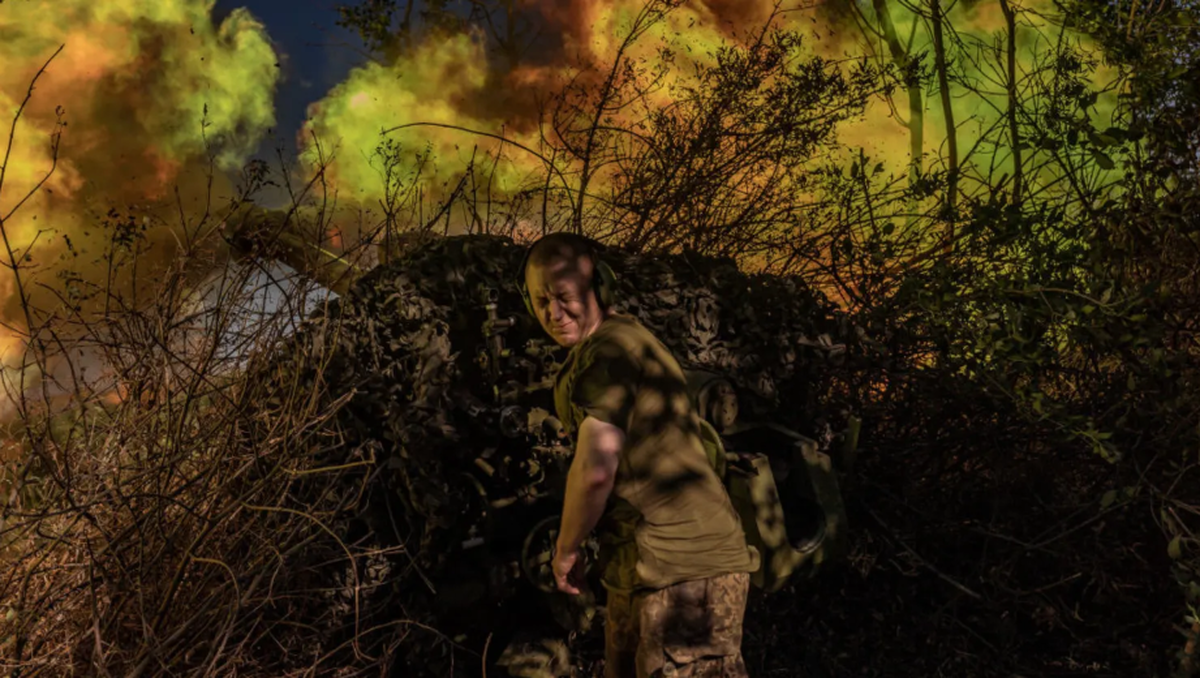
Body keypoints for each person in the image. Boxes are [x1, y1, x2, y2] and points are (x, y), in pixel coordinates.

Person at [518, 232, 758, 678]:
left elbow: (596, 469)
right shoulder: (599, 350)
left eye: (564, 297)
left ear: (599, 288)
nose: (554, 313)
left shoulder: (613, 350)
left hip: (688, 571)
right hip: (640, 567)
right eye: (541, 301)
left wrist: (566, 550)